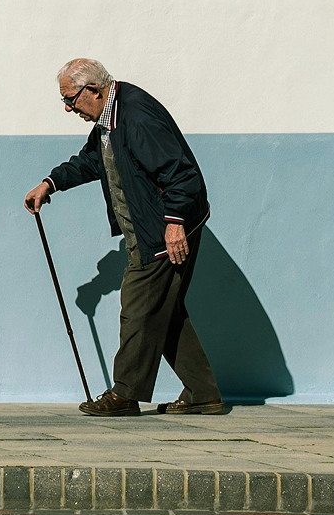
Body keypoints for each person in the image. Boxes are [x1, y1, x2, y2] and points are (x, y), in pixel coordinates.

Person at [25, 59, 223, 416]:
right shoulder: (108, 119)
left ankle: (125, 395)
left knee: (137, 307)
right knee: (164, 311)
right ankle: (203, 391)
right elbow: (91, 161)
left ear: (94, 91)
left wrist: (174, 223)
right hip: (151, 230)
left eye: (70, 99)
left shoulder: (136, 117)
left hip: (165, 232)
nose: (69, 109)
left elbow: (182, 173)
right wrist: (50, 183)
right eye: (64, 101)